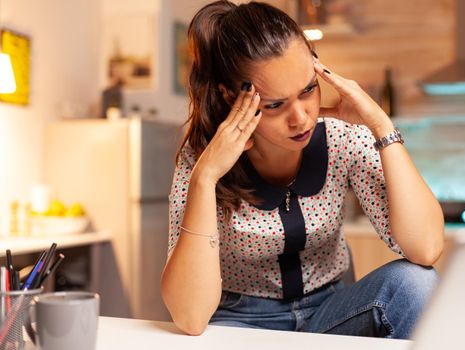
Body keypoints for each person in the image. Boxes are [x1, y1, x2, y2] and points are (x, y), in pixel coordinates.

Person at [161, 0, 444, 338]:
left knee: (416, 283)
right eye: (275, 105)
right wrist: (205, 178)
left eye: (308, 89)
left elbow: (425, 247)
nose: (301, 118)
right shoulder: (203, 160)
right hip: (243, 323)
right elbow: (190, 317)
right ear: (228, 97)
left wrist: (380, 125)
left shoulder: (342, 137)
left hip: (333, 313)